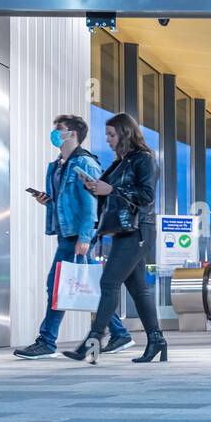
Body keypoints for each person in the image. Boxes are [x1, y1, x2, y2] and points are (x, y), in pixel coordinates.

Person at [15, 114, 131, 359]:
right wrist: (47, 201)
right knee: (89, 286)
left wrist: (86, 237)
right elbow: (66, 202)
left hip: (78, 235)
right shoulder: (58, 165)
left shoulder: (86, 164)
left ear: (73, 134)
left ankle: (46, 341)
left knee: (55, 285)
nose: (55, 133)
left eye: (60, 129)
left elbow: (92, 203)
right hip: (67, 232)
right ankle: (119, 333)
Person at [62, 113, 164, 364]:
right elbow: (107, 192)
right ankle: (157, 341)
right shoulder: (121, 162)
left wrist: (113, 189)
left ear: (125, 134)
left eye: (111, 134)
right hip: (124, 231)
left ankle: (93, 341)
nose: (107, 139)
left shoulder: (144, 160)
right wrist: (94, 188)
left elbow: (147, 196)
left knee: (109, 283)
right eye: (106, 134)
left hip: (138, 231)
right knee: (139, 290)